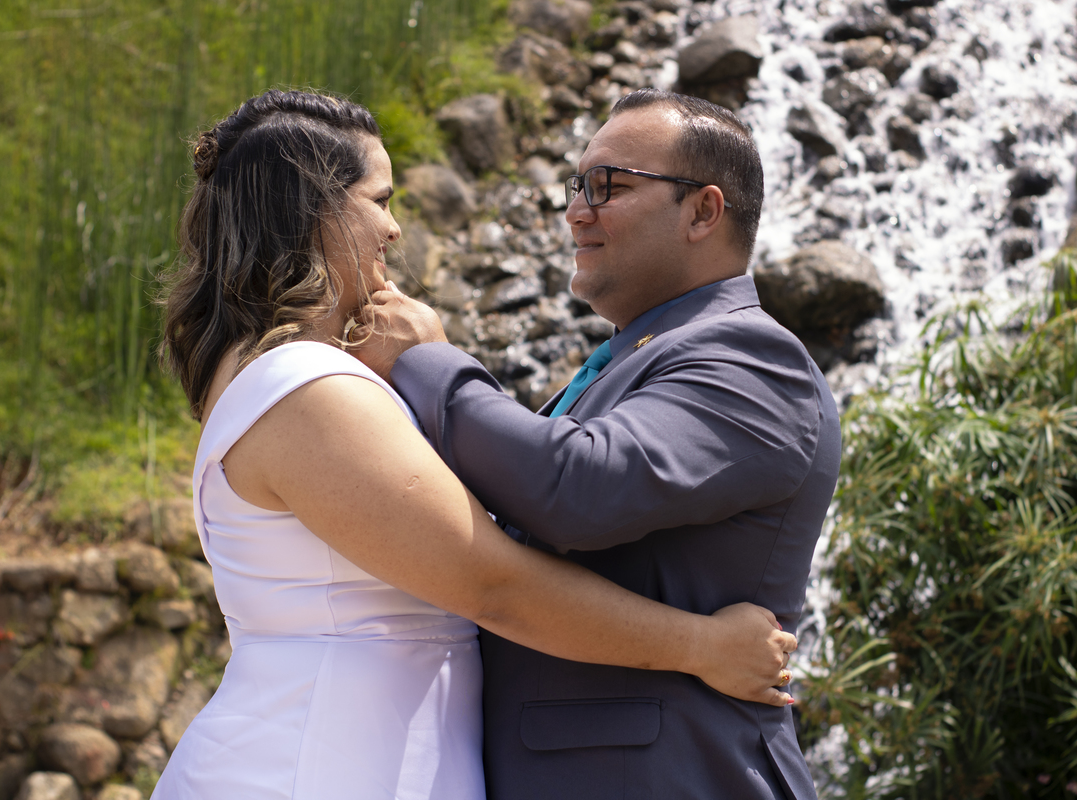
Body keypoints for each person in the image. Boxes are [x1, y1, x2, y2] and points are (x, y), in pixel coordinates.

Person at [149, 89, 796, 800]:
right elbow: (495, 584)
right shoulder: (308, 387)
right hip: (318, 767)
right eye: (380, 199)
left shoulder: (281, 376)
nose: (395, 231)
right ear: (316, 212)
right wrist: (702, 647)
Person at [355, 89, 841, 800]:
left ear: (703, 211)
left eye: (607, 186)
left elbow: (576, 489)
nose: (577, 211)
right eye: (575, 186)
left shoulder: (755, 359)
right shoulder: (636, 359)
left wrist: (423, 359)